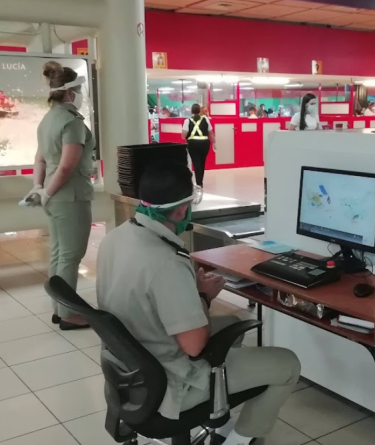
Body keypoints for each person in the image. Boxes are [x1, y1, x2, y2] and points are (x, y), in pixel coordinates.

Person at [97, 161, 301, 445]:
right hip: (170, 384)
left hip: (131, 370)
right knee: (287, 364)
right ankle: (238, 442)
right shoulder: (167, 261)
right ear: (182, 210)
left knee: (232, 325)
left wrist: (186, 290)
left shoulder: (115, 238)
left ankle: (220, 421)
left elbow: (143, 293)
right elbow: (194, 346)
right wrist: (203, 296)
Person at [30, 61, 96, 330]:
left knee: (58, 254)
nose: (80, 95)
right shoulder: (71, 122)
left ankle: (59, 308)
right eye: (78, 90)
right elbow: (67, 166)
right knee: (70, 256)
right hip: (71, 198)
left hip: (54, 197)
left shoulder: (47, 120)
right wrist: (48, 192)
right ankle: (68, 315)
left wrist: (39, 189)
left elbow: (40, 159)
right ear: (69, 92)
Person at [181, 103, 215, 204]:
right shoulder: (206, 119)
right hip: (205, 144)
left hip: (193, 144)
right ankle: (200, 183)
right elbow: (210, 133)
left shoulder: (187, 121)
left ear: (191, 111)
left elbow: (183, 135)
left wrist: (188, 136)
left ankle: (198, 184)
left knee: (196, 163)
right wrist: (214, 142)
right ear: (199, 111)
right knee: (202, 162)